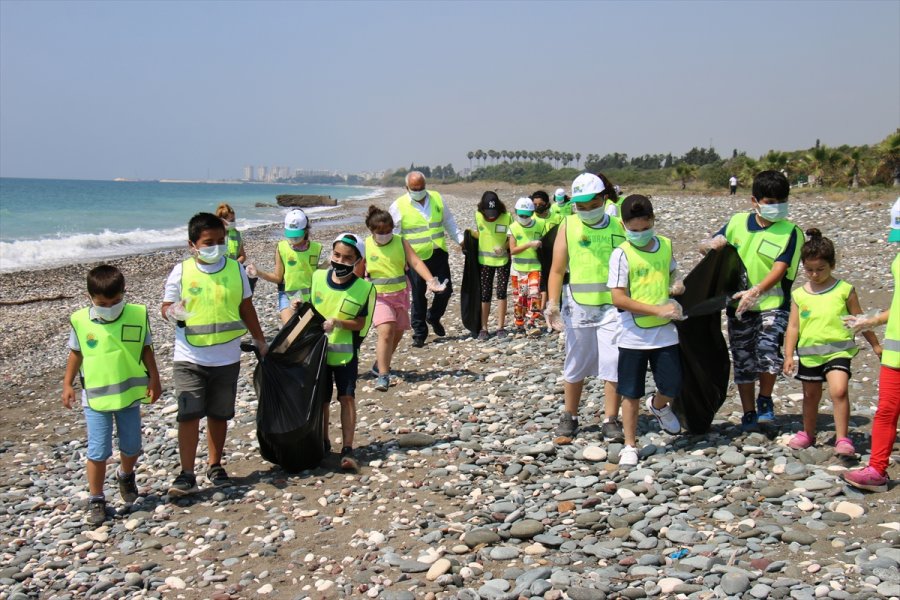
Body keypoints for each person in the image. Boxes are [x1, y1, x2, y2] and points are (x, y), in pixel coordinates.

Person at [162, 212, 268, 496]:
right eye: (209, 242)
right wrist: (172, 312)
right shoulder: (181, 271)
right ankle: (186, 474)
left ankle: (215, 465)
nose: (216, 247)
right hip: (189, 357)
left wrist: (260, 339)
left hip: (227, 357)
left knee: (219, 414)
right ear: (192, 244)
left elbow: (246, 308)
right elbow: (166, 308)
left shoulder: (235, 270)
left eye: (220, 241)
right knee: (188, 414)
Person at [700, 170, 803, 432]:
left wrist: (756, 291)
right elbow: (715, 245)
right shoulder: (737, 222)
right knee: (743, 359)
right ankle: (748, 412)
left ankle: (765, 401)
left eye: (782, 201)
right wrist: (709, 245)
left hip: (772, 305)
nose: (776, 207)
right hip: (738, 307)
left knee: (768, 353)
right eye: (770, 202)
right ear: (754, 201)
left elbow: (780, 268)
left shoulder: (791, 232)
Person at [63, 265, 162, 525]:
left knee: (132, 446)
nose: (110, 307)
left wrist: (155, 378)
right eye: (102, 303)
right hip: (95, 399)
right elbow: (76, 353)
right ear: (90, 299)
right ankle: (96, 499)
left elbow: (145, 348)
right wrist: (67, 384)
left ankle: (125, 474)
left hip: (129, 396)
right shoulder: (81, 321)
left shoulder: (137, 314)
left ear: (124, 293)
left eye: (116, 301)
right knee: (98, 450)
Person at [782, 229, 880, 455]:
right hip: (809, 354)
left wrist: (875, 345)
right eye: (809, 270)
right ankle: (808, 433)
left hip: (839, 352)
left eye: (820, 269)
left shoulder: (844, 290)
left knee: (839, 391)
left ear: (833, 265)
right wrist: (788, 355)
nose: (815, 275)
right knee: (810, 395)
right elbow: (793, 327)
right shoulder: (799, 294)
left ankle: (843, 439)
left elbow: (860, 320)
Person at [545, 173, 626, 444]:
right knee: (576, 361)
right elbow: (557, 269)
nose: (587, 211)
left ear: (604, 199)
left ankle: (610, 418)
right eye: (582, 206)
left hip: (613, 308)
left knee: (613, 361)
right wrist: (552, 304)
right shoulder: (568, 225)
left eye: (593, 205)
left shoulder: (619, 226)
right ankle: (570, 415)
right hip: (578, 307)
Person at [608, 195, 684, 467]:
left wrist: (677, 285)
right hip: (633, 334)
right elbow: (618, 298)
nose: (639, 234)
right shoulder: (621, 254)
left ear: (652, 221)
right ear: (624, 225)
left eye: (644, 228)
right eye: (634, 230)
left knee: (673, 383)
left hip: (664, 333)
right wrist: (656, 310)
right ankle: (630, 444)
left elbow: (673, 272)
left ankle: (659, 405)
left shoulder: (665, 245)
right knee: (630, 392)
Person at [842, 198, 900, 492]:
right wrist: (872, 321)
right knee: (886, 411)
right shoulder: (898, 260)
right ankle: (877, 469)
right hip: (895, 353)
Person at [309, 233, 376, 471]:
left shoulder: (365, 289)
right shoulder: (317, 277)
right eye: (336, 255)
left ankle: (348, 448)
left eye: (347, 258)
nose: (340, 261)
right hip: (317, 355)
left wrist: (339, 322)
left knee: (346, 398)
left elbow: (361, 324)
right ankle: (323, 443)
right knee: (322, 400)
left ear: (358, 261)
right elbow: (311, 311)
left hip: (345, 355)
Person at [364, 206, 445, 391]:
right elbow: (357, 270)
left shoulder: (401, 242)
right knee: (386, 331)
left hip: (400, 296)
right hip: (378, 297)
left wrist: (431, 280)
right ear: (371, 230)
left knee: (397, 333)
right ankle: (383, 376)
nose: (385, 235)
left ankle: (379, 364)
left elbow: (415, 262)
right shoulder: (366, 245)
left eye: (388, 231)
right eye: (380, 232)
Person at [389, 171, 463, 347]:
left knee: (445, 290)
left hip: (438, 254)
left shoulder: (437, 198)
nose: (419, 191)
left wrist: (460, 240)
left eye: (421, 187)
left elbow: (449, 221)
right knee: (418, 295)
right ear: (407, 188)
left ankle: (434, 316)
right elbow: (394, 235)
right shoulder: (398, 206)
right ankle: (419, 333)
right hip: (415, 259)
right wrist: (399, 260)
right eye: (415, 189)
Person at [253, 209, 324, 324]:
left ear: (306, 230)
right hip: (287, 296)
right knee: (291, 331)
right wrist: (258, 272)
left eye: (297, 235)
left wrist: (329, 263)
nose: (294, 238)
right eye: (291, 235)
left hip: (310, 297)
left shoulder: (316, 248)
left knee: (309, 332)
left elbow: (316, 274)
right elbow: (278, 277)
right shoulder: (282, 248)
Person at [472, 191, 511, 340]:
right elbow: (478, 234)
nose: (491, 216)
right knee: (485, 295)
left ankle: (501, 327)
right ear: (482, 209)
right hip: (484, 262)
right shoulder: (477, 216)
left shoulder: (507, 217)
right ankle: (484, 328)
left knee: (501, 292)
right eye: (488, 213)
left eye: (494, 213)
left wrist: (505, 247)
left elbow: (511, 237)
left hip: (503, 261)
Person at [509, 197, 546, 331]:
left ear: (532, 213)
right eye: (521, 214)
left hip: (535, 267)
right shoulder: (513, 227)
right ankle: (519, 324)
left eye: (527, 214)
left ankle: (531, 321)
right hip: (518, 270)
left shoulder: (541, 225)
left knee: (535, 293)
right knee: (520, 298)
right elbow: (513, 250)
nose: (524, 217)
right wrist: (529, 244)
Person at [216, 203, 257, 292]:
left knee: (252, 275)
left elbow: (242, 256)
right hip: (218, 270)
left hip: (234, 268)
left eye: (233, 219)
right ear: (221, 221)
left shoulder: (237, 234)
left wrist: (234, 264)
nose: (233, 222)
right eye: (230, 220)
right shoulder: (214, 236)